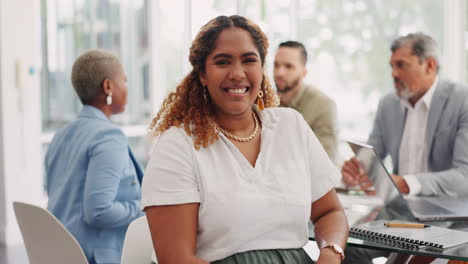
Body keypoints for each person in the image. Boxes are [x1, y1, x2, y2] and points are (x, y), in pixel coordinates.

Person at [142, 15, 348, 264]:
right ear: (203, 75)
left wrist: (331, 253)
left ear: (261, 69)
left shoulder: (290, 125)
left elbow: (330, 211)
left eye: (249, 60)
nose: (237, 73)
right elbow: (177, 258)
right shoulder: (178, 145)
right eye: (222, 62)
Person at [341, 33, 468, 264]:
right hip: (400, 213)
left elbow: (464, 176)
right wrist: (359, 170)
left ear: (429, 65)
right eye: (392, 66)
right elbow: (374, 156)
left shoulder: (462, 100)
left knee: (413, 260)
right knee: (347, 246)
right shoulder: (388, 104)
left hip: (452, 216)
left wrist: (407, 183)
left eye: (401, 65)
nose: (394, 74)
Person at [45, 49, 144, 264]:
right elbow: (99, 211)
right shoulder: (108, 136)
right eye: (124, 82)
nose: (127, 89)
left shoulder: (61, 134)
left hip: (59, 252)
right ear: (108, 86)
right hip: (95, 256)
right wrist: (144, 207)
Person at [274, 41, 338, 160]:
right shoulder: (265, 104)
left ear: (304, 72)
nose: (279, 73)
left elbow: (324, 160)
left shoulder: (323, 105)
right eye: (276, 65)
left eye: (288, 66)